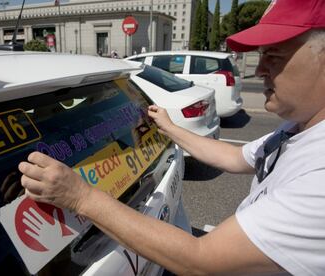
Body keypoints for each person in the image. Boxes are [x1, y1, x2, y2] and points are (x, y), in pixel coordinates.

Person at [18, 0, 325, 274]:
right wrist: (168, 127)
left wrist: (80, 197)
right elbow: (234, 156)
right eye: (261, 55)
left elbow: (201, 259)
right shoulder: (298, 127)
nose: (259, 69)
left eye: (274, 55)